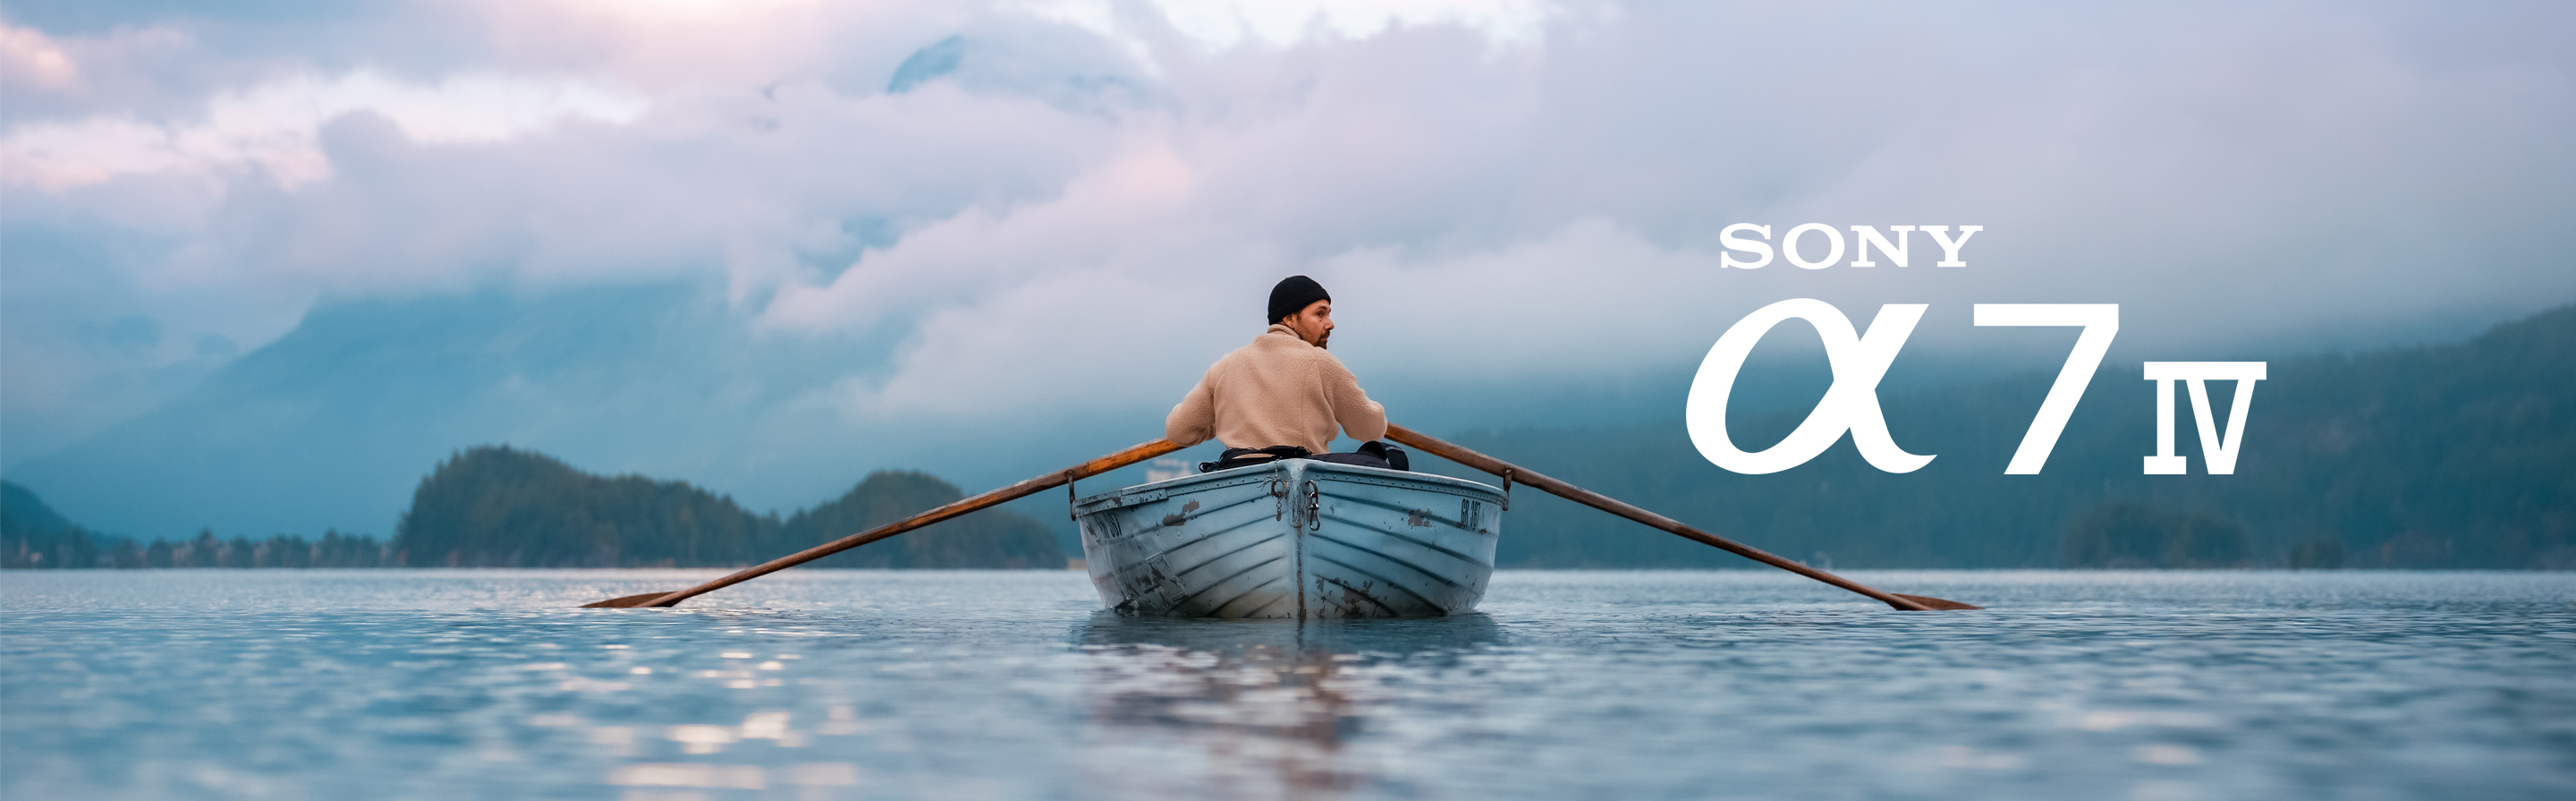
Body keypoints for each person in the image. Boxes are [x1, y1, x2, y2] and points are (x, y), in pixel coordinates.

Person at [1165, 276, 1410, 472]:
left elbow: (1178, 430)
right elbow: (1370, 429)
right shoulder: (1321, 363)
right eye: (1320, 313)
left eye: (1328, 314)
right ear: (1290, 319)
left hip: (1237, 481)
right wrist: (1340, 408)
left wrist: (1220, 421)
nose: (1330, 323)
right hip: (1304, 484)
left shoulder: (1225, 366)